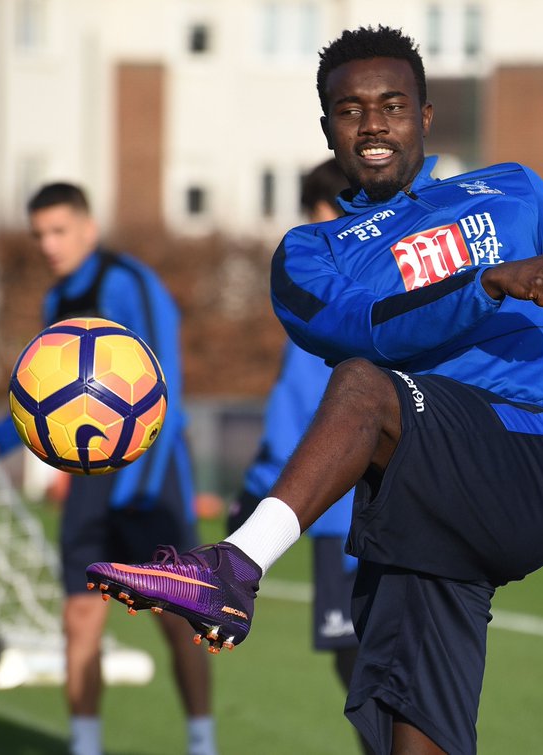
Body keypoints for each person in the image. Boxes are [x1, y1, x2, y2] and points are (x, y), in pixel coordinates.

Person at [86, 26, 543, 755]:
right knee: (413, 731)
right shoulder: (309, 256)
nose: (373, 123)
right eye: (351, 109)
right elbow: (368, 334)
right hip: (419, 505)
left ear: (426, 116)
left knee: (363, 392)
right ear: (327, 128)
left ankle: (234, 568)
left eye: (393, 104)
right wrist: (488, 283)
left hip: (530, 456)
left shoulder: (512, 193)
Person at [0, 182, 217, 755]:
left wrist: (142, 486)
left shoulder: (131, 283)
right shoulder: (55, 303)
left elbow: (166, 393)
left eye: (59, 231)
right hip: (86, 488)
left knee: (178, 621)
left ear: (88, 227)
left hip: (150, 478)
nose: (49, 245)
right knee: (79, 620)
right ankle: (85, 746)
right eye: (39, 236)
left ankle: (202, 743)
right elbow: (46, 405)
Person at [229, 158, 374, 755]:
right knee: (386, 664)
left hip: (342, 518)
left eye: (320, 220)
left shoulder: (329, 305)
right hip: (394, 505)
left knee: (363, 667)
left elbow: (296, 417)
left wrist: (254, 497)